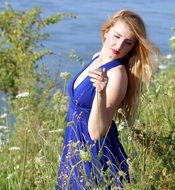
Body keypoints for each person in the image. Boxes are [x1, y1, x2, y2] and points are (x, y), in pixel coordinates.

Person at [56, 9, 160, 189]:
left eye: (127, 43)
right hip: (75, 146)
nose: (119, 46)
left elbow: (96, 132)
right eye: (116, 36)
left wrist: (100, 92)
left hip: (94, 153)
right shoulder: (97, 58)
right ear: (106, 31)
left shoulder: (117, 75)